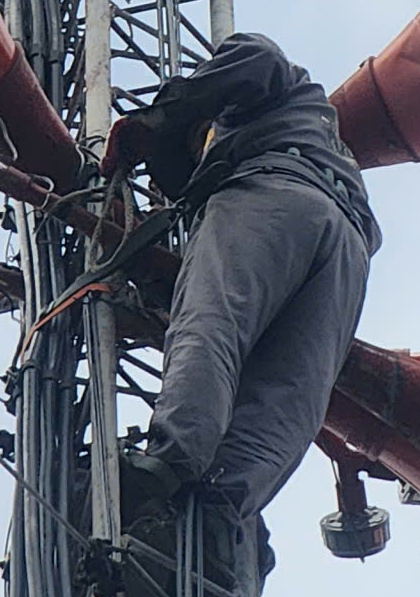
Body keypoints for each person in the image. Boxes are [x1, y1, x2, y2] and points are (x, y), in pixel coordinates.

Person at [102, 32, 381, 526]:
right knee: (292, 397)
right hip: (349, 252)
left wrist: (158, 120)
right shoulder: (322, 135)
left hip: (272, 192)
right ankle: (218, 513)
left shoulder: (272, 93)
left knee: (211, 322)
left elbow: (259, 57)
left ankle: (169, 461)